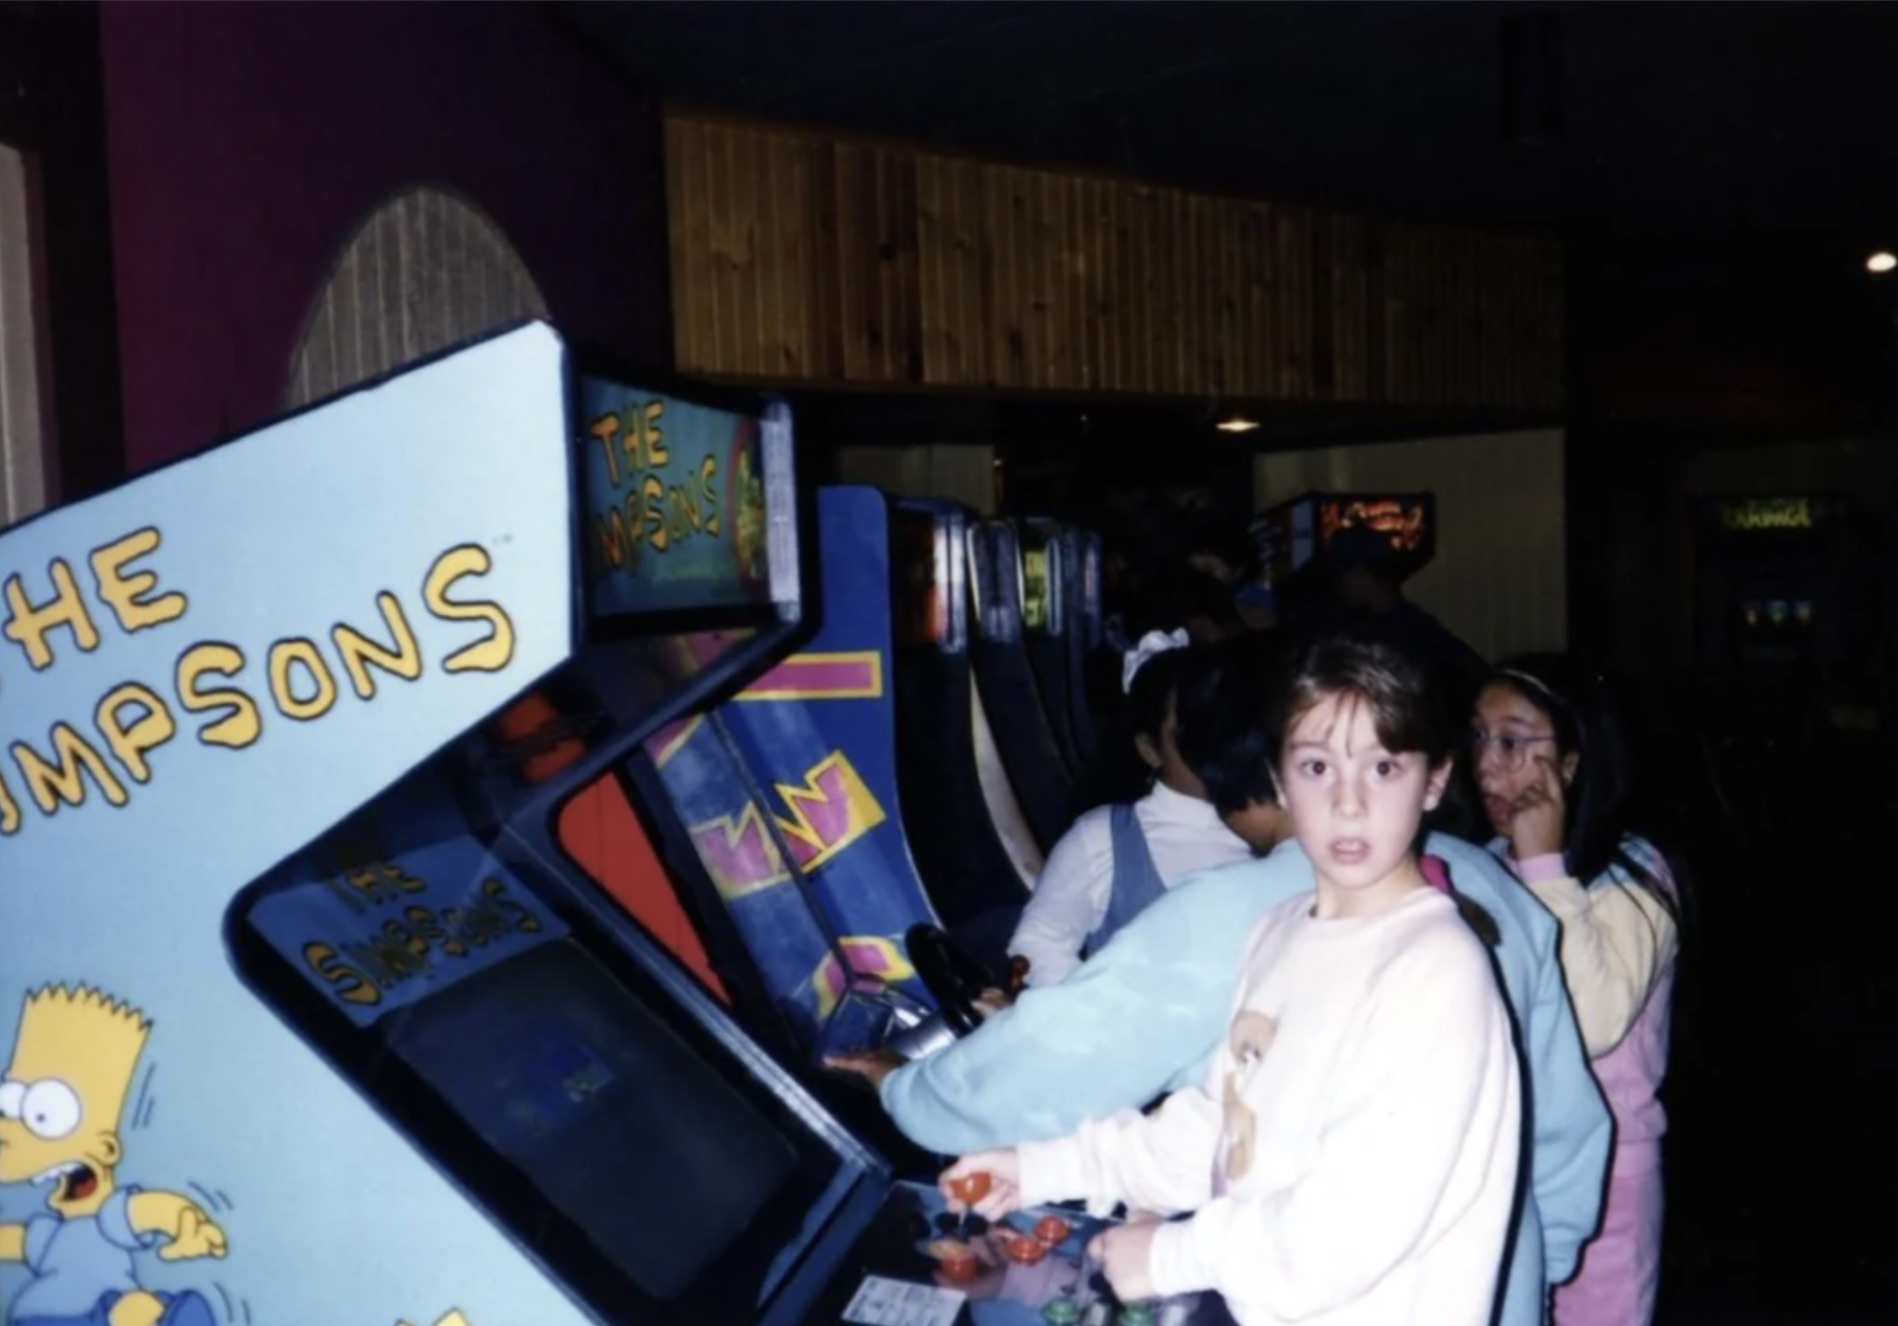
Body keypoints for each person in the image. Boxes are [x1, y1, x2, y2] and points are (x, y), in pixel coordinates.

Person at [863, 629, 1607, 1326]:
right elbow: (1223, 1128)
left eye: (1383, 767)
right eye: (1317, 766)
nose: (1348, 803)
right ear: (1279, 779)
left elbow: (1347, 1228)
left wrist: (1168, 1255)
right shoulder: (1281, 933)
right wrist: (1041, 1166)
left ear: (1435, 779)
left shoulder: (1437, 968)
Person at [1474, 654, 1683, 1326]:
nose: (1487, 764)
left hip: (1610, 1175)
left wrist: (1543, 863)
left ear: (1570, 762)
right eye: (1478, 738)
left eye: (1512, 742)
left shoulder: (1634, 873)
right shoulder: (1480, 863)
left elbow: (1591, 1021)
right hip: (1504, 1162)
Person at [1003, 632, 1255, 991]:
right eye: (1188, 733)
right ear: (1150, 750)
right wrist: (1100, 1007)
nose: (1209, 746)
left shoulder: (1274, 827)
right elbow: (1037, 943)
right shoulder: (1103, 838)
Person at [1319, 525, 1489, 725]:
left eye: (1344, 572)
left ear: (1363, 569)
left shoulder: (1404, 632)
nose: (1339, 583)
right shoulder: (1412, 625)